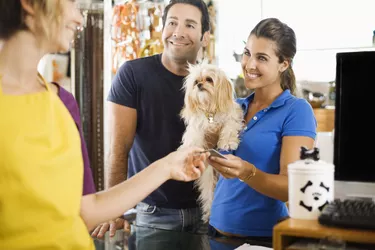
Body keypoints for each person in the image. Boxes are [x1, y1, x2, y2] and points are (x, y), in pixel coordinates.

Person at [0, 1, 209, 249]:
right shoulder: (133, 74)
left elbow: (86, 209)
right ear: (31, 4)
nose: (79, 19)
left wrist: (167, 166)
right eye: (71, 4)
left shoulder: (62, 102)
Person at [91, 0, 211, 238]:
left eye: (189, 25)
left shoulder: (212, 82)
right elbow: (118, 149)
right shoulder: (133, 75)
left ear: (204, 37)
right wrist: (114, 209)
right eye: (172, 23)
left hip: (207, 213)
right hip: (153, 215)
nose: (178, 32)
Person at [207, 18, 317, 243]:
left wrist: (247, 172)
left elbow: (292, 188)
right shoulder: (235, 107)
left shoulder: (297, 111)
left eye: (262, 58)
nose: (249, 64)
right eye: (247, 53)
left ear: (284, 64)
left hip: (262, 240)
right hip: (213, 235)